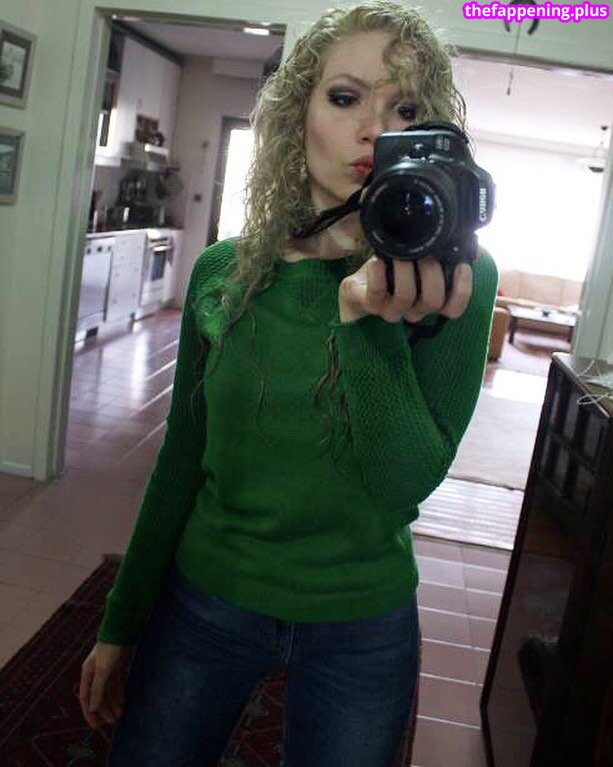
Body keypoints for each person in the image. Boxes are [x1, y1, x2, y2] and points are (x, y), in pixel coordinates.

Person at [79, 2, 498, 766]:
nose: (373, 129)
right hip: (207, 596)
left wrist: (365, 319)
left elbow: (404, 479)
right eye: (344, 97)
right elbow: (180, 458)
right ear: (297, 113)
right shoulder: (225, 272)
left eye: (404, 109)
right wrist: (121, 618)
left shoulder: (453, 280)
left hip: (361, 619)